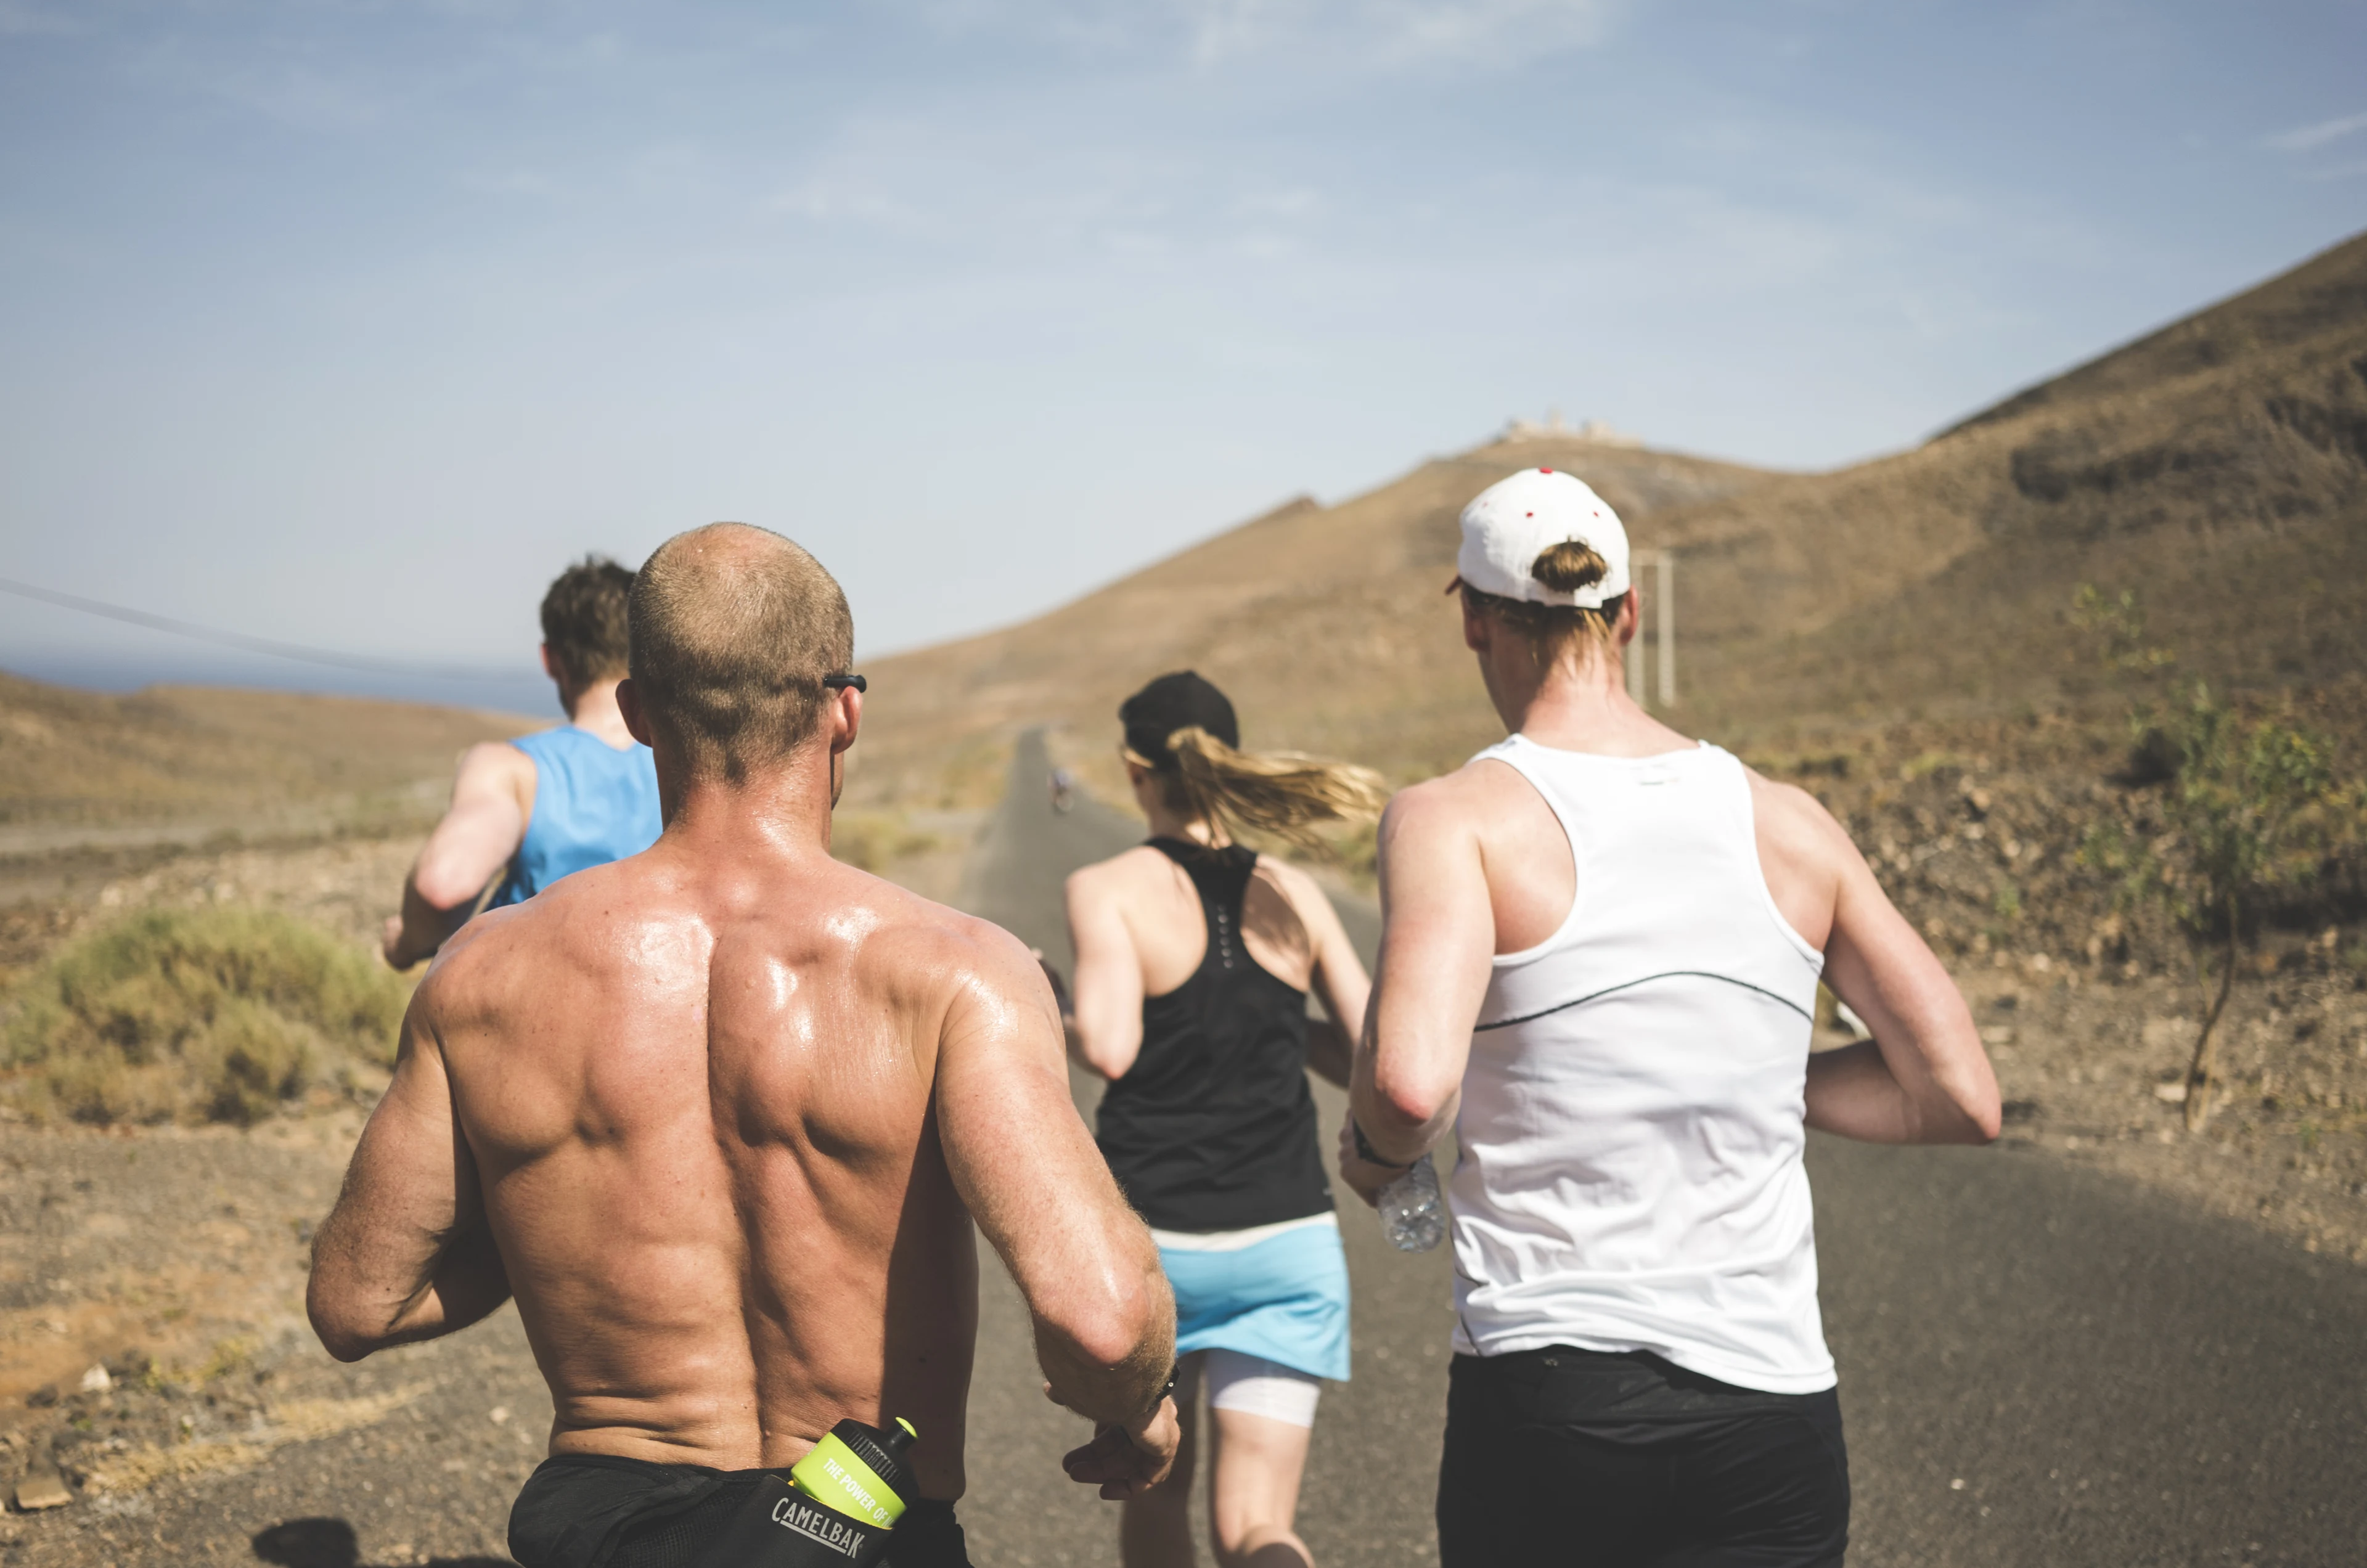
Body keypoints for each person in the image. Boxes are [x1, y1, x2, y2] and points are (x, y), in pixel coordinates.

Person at [308, 523, 1182, 1568]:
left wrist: (545, 1205)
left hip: (603, 1528)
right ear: (845, 711)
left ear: (635, 714)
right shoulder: (956, 973)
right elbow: (1101, 1318)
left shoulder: (482, 977)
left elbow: (359, 1302)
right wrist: (1139, 1408)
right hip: (860, 1532)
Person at [1339, 469, 2001, 1568]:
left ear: (1471, 620)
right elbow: (1958, 1095)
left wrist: (1374, 1152)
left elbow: (1410, 1088)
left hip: (1555, 1398)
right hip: (1775, 1409)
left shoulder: (1453, 817)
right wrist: (1725, 1063)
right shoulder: (1793, 823)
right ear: (1630, 614)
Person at [1051, 671, 1384, 1568]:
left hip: (1155, 1254)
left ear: (1134, 770)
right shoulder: (1294, 889)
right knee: (1257, 1528)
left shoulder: (1106, 885)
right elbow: (1378, 1053)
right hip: (1289, 1246)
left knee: (1158, 1497)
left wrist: (1052, 1008)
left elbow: (1113, 1046)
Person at [381, 557, 662, 970]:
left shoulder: (512, 769)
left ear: (550, 659)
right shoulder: (687, 762)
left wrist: (405, 945)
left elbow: (444, 885)